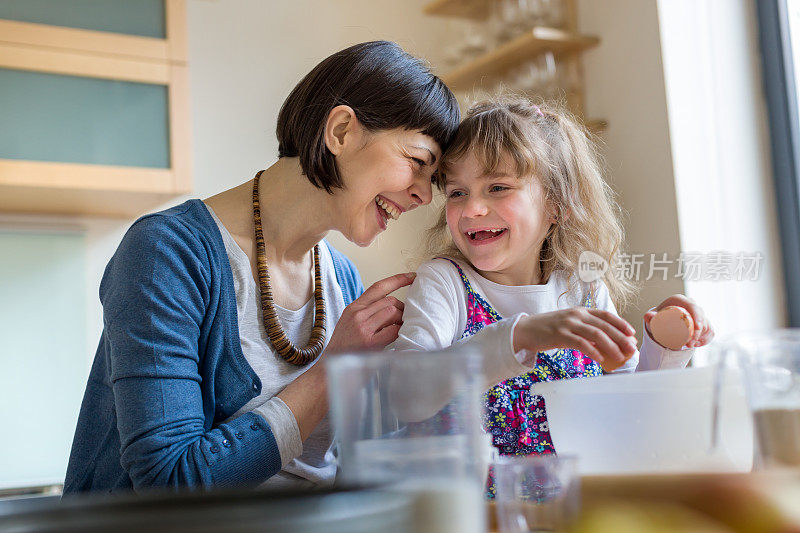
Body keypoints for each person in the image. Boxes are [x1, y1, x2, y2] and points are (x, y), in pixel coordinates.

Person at [63, 40, 460, 494]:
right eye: (417, 163)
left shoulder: (342, 279)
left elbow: (348, 466)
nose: (424, 196)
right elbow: (170, 482)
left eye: (434, 182)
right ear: (342, 131)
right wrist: (334, 369)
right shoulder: (167, 253)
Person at [390, 96, 715, 497]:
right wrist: (520, 337)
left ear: (556, 205)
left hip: (582, 514)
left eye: (497, 187)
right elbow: (403, 391)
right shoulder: (447, 282)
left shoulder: (583, 287)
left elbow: (630, 415)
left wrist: (665, 348)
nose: (472, 208)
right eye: (457, 193)